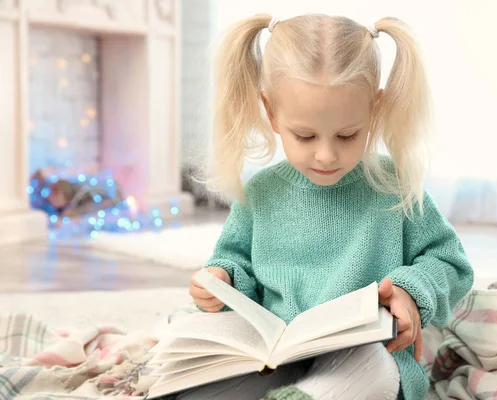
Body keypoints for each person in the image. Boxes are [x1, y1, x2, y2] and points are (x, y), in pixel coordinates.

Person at [187, 13, 474, 400]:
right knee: (203, 376)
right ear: (271, 112)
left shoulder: (394, 185)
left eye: (347, 134)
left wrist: (411, 291)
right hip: (280, 356)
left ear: (374, 108)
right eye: (304, 135)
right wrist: (223, 281)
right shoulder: (261, 193)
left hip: (365, 356)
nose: (326, 154)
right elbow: (237, 266)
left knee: (374, 368)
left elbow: (451, 263)